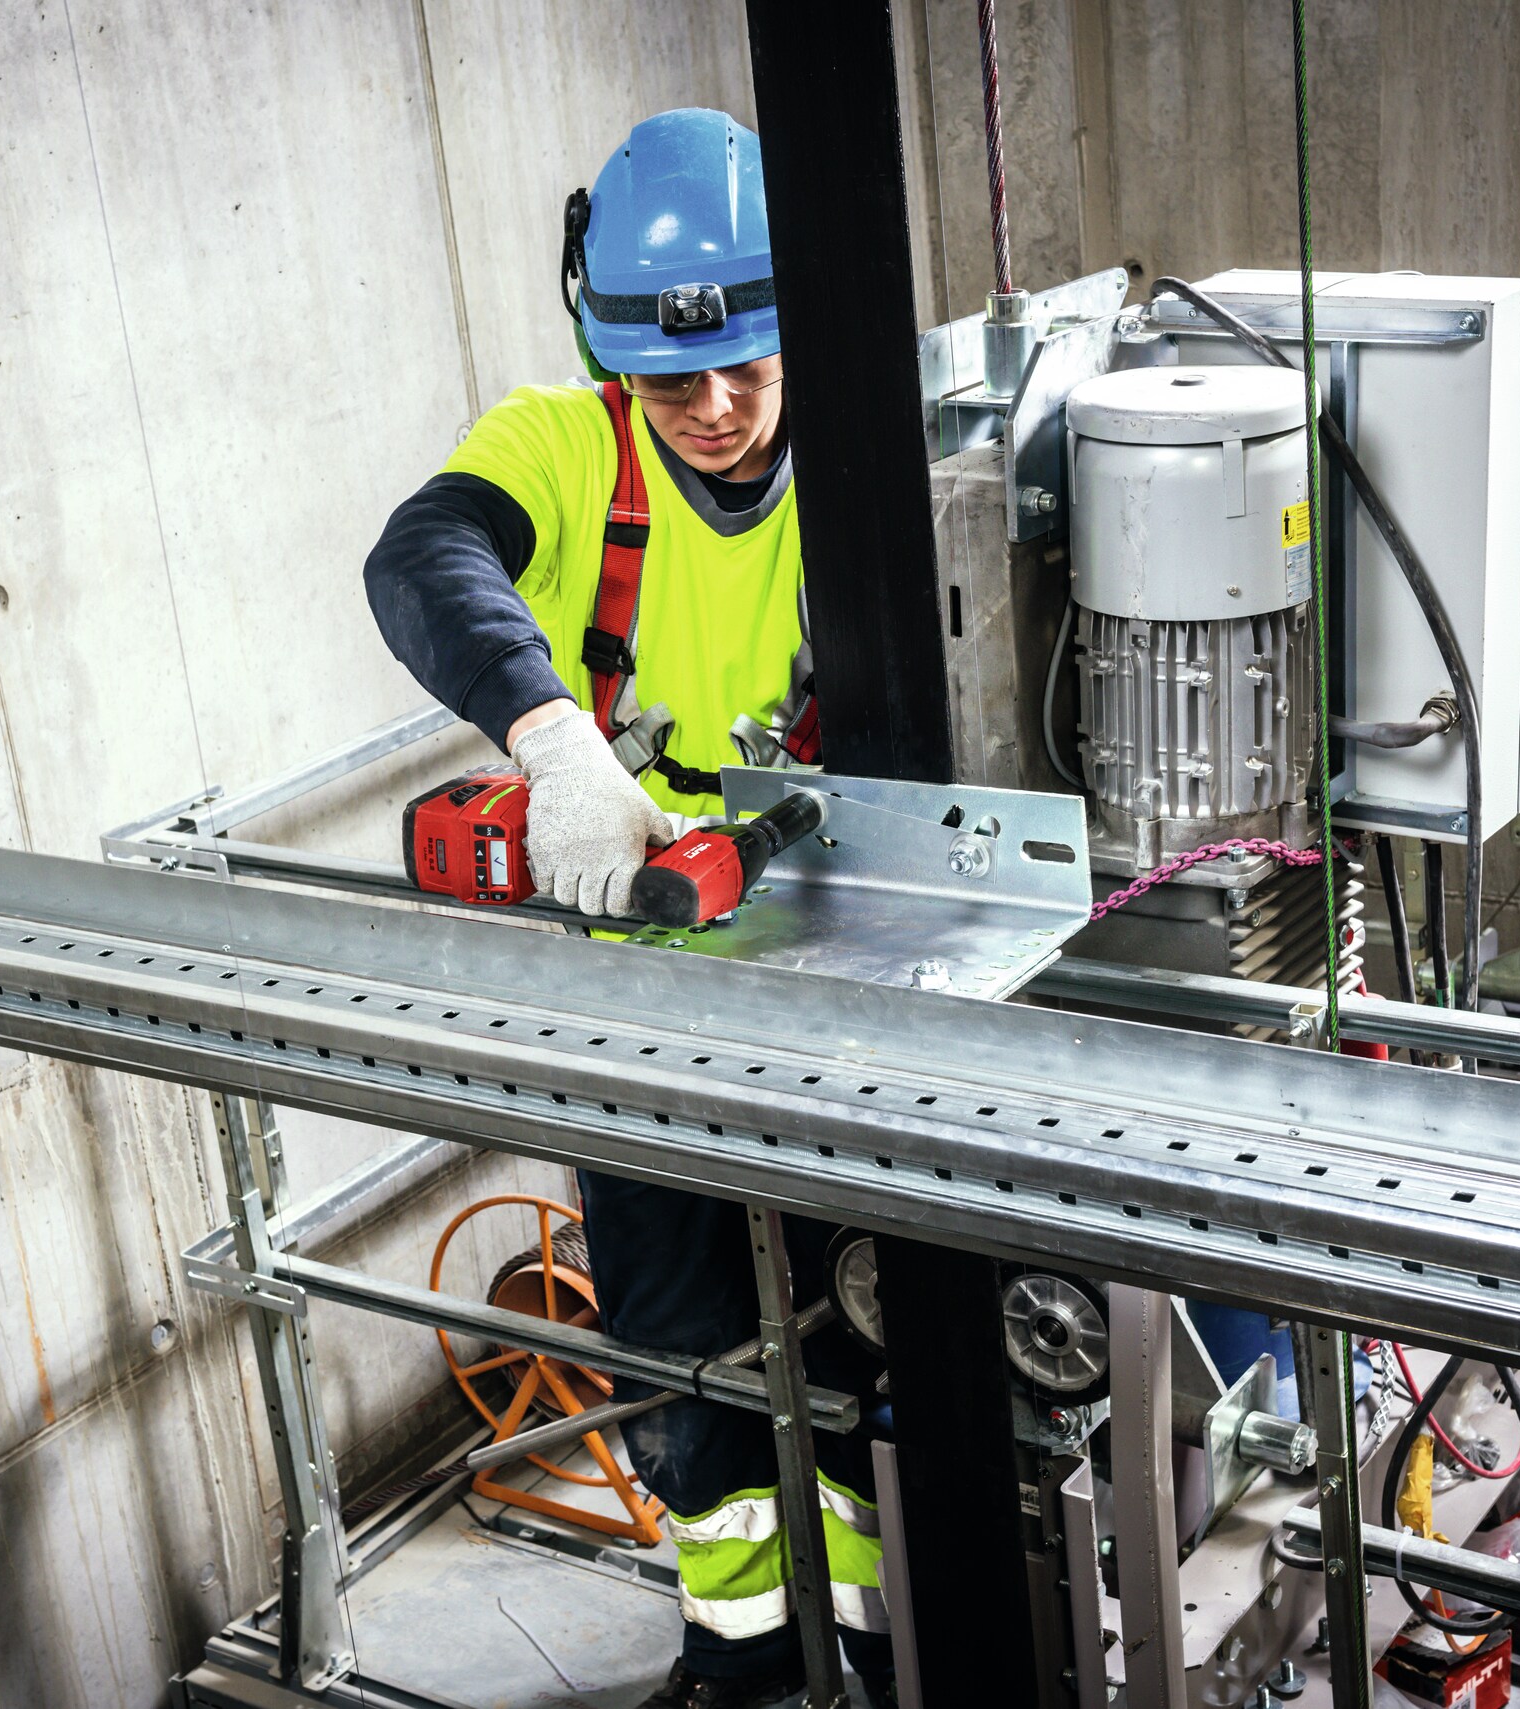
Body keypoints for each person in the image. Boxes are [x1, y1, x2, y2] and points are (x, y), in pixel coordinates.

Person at [364, 109, 893, 1709]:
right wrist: (554, 737)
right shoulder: (565, 447)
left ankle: (862, 1651)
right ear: (608, 351)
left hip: (854, 1004)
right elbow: (423, 557)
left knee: (862, 1343)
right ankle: (743, 1666)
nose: (718, 407)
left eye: (748, 363)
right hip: (642, 1017)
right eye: (676, 380)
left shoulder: (874, 454)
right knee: (685, 1363)